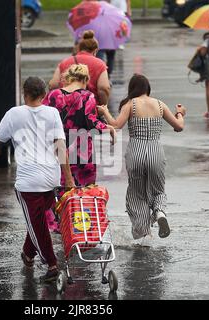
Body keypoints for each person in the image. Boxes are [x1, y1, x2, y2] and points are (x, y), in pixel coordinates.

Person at [0, 77, 75, 282]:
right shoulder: (52, 113)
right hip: (51, 179)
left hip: (29, 183)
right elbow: (61, 147)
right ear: (45, 94)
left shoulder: (14, 114)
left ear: (24, 93)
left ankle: (52, 265)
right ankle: (28, 254)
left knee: (38, 225)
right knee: (36, 222)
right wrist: (69, 178)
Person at [98, 74, 186, 245]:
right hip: (155, 152)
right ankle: (159, 212)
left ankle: (143, 234)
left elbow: (116, 125)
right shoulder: (160, 105)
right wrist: (180, 113)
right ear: (148, 88)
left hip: (136, 152)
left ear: (133, 88)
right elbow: (179, 126)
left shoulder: (130, 105)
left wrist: (104, 111)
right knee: (158, 190)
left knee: (137, 194)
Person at [43, 64, 115, 233]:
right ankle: (82, 229)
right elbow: (91, 123)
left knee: (61, 189)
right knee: (84, 193)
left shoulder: (53, 95)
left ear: (68, 78)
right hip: (82, 150)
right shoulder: (87, 96)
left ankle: (60, 227)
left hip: (58, 149)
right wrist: (108, 128)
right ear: (84, 80)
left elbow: (43, 118)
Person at [49, 30, 111, 105]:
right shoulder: (100, 64)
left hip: (66, 106)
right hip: (90, 108)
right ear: (95, 50)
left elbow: (53, 85)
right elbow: (104, 88)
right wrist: (103, 106)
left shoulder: (64, 62)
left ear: (79, 48)